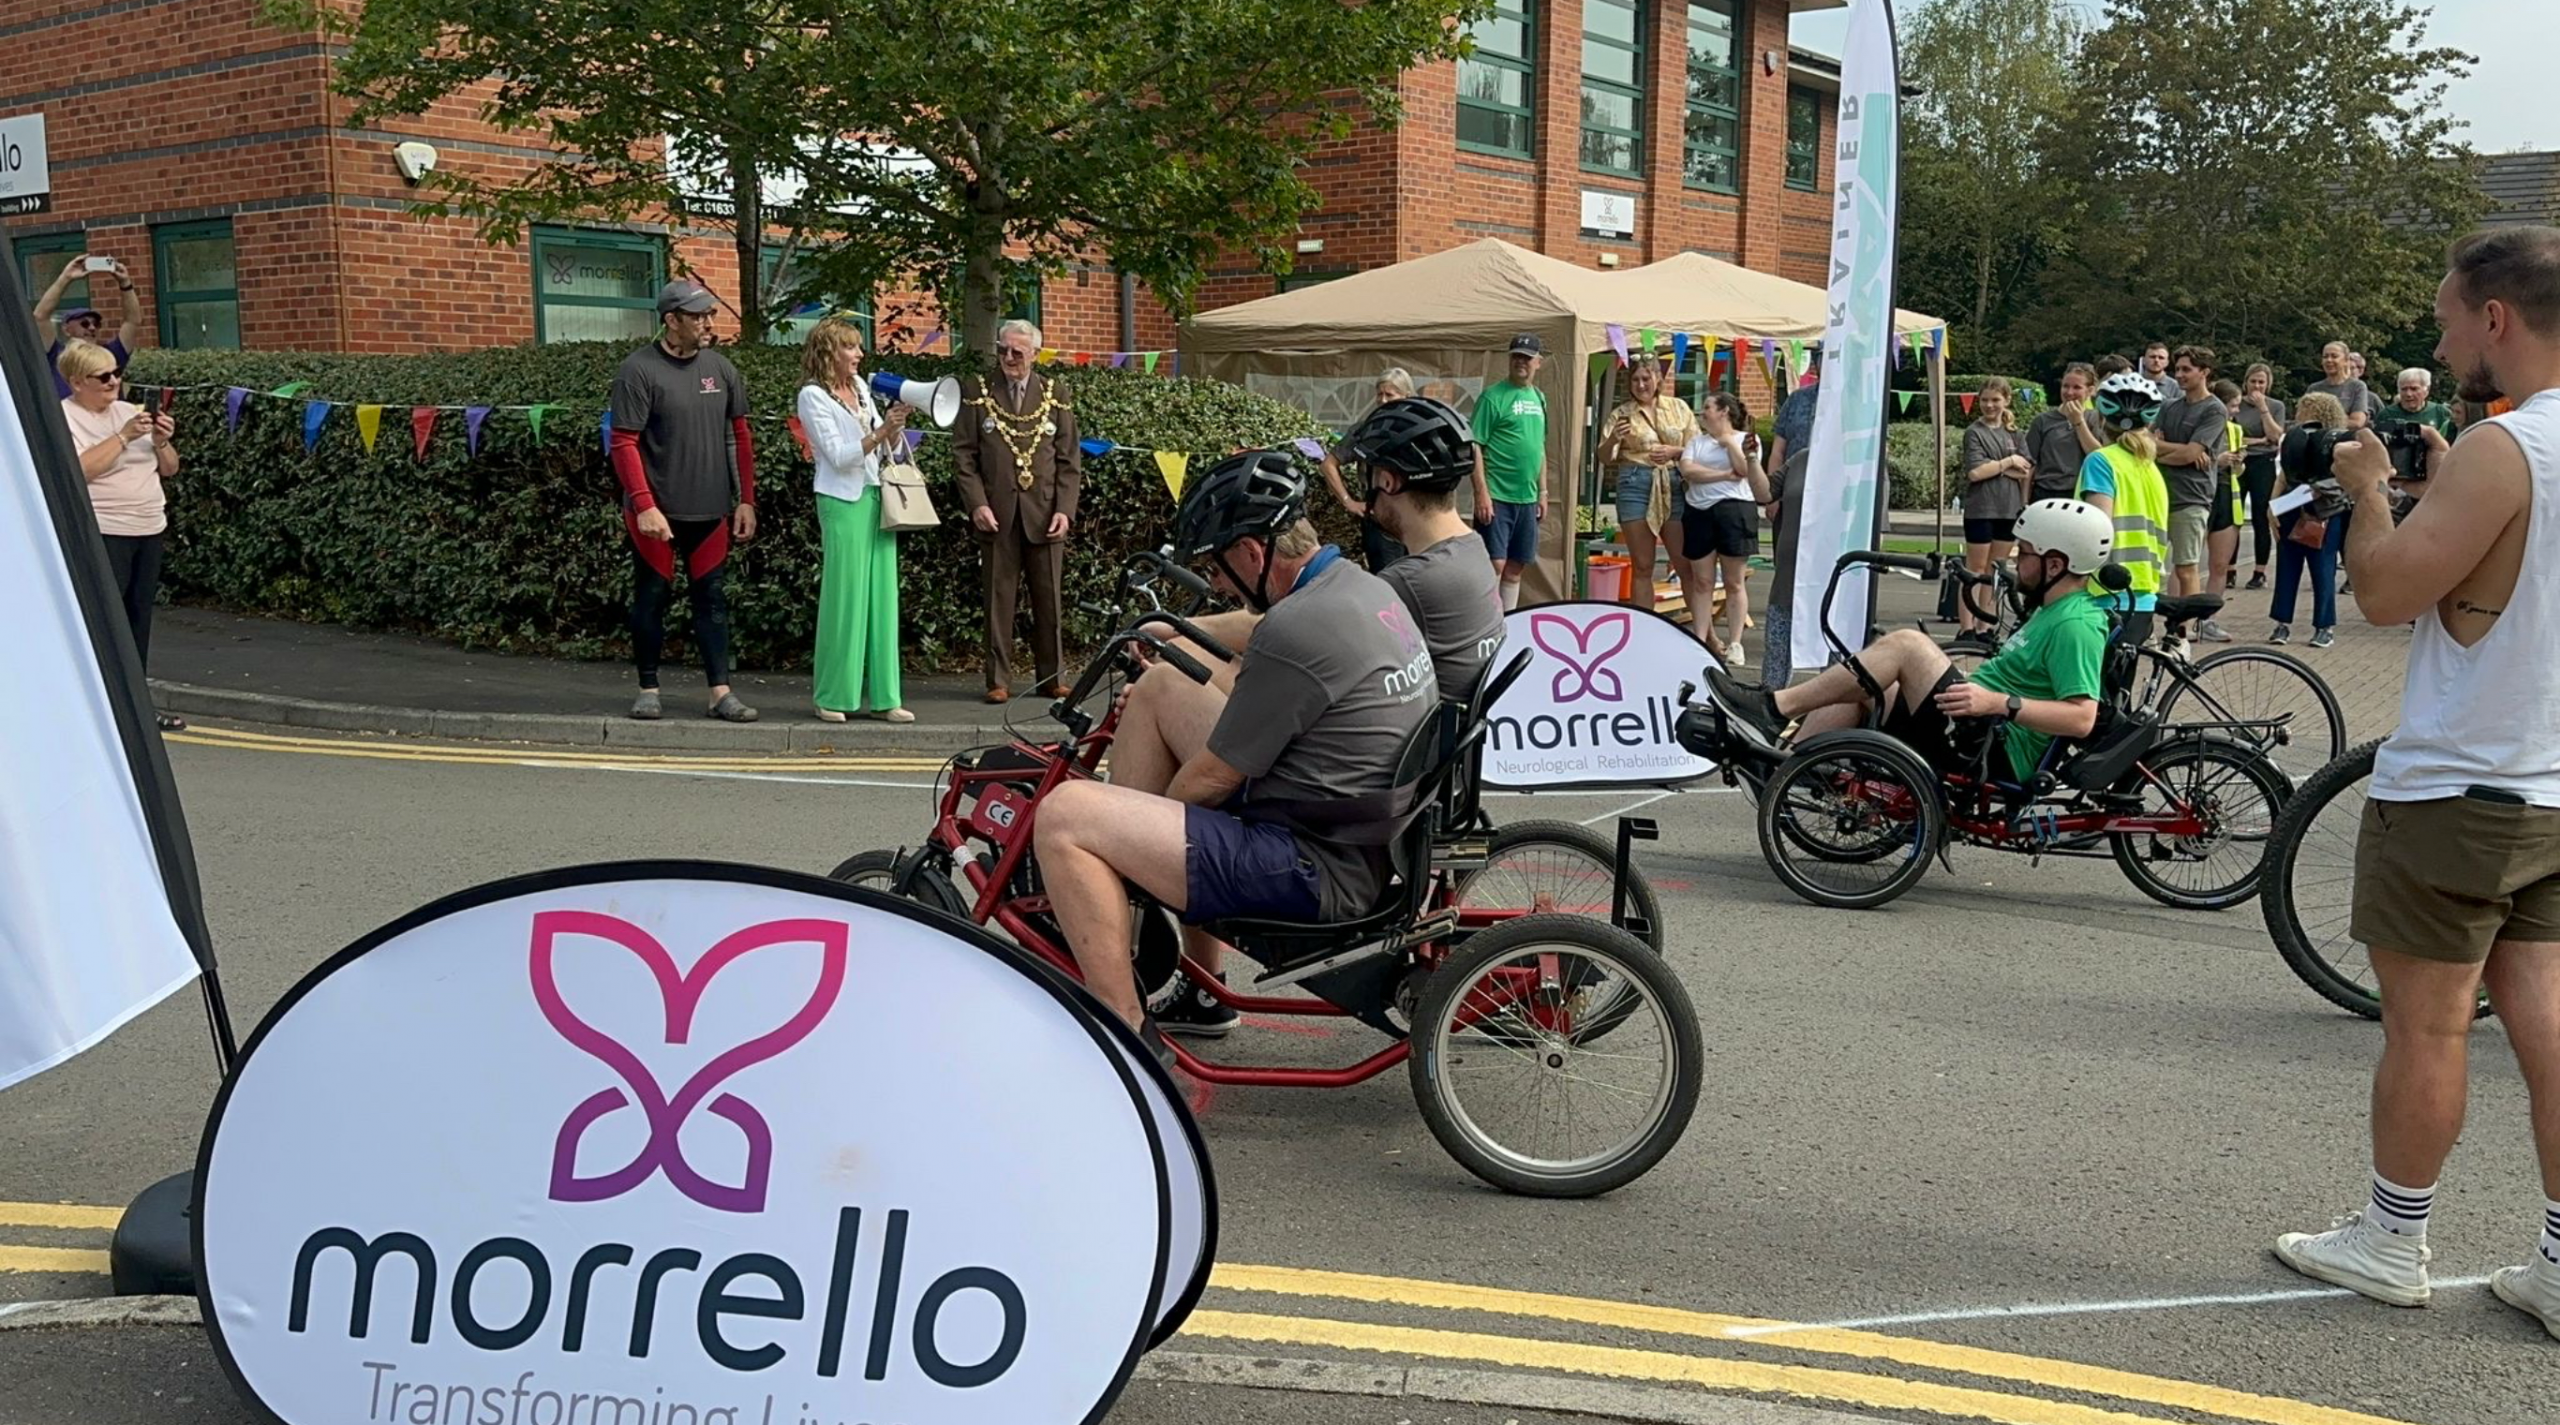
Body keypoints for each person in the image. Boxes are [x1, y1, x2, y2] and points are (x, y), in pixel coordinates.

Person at [2271, 225, 2560, 1342]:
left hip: (2459, 782)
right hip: (2548, 783)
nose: (2439, 347)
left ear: (2497, 317)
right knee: (2543, 1019)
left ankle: (2392, 1240)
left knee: (2429, 1027)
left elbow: (2390, 593)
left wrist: (2369, 491)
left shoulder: (2506, 448)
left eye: (2446, 320)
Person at [1030, 452, 1438, 1061]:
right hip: (1354, 829)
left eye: (1217, 567)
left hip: (1312, 865)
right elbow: (1258, 633)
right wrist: (1171, 633)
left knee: (1065, 815)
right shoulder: (1355, 586)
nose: (1217, 583)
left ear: (1253, 550)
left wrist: (1136, 842)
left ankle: (1125, 1034)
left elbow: (1217, 774)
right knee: (1164, 685)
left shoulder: (1297, 629)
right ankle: (1180, 971)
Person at [1121, 401, 1498, 1037]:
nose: (1358, 484)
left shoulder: (1405, 583)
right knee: (1170, 686)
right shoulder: (1467, 556)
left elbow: (1278, 640)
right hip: (1402, 765)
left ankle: (1128, 877)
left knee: (1165, 708)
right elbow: (1280, 639)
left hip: (1348, 790)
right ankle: (1190, 969)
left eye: (1367, 471)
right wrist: (1184, 640)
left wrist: (1180, 642)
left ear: (1389, 482)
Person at [1705, 499, 2112, 787]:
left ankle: (1772, 708)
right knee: (1861, 680)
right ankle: (1782, 766)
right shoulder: (2051, 609)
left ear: (2055, 564)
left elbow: (2081, 718)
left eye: (2024, 554)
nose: (2013, 562)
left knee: (1908, 645)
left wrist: (1998, 703)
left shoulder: (2074, 624)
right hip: (1975, 727)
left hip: (1992, 747)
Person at [608, 280, 758, 723]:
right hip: (656, 511)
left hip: (711, 508)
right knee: (651, 596)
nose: (708, 323)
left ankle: (720, 693)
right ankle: (648, 688)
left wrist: (745, 500)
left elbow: (740, 436)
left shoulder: (721, 368)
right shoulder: (638, 370)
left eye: (710, 315)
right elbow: (623, 442)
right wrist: (643, 503)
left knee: (711, 599)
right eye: (697, 316)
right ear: (671, 321)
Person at [56, 339, 184, 732]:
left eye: (117, 373)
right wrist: (124, 437)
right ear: (78, 382)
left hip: (149, 527)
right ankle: (99, 708)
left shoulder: (129, 410)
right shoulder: (65, 417)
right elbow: (79, 471)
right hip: (106, 531)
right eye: (104, 376)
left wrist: (162, 442)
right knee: (106, 621)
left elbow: (170, 469)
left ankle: (136, 710)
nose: (115, 381)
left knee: (137, 618)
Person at [953, 318, 1083, 703]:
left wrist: (1066, 510)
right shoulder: (977, 391)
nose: (1008, 358)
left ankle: (1052, 677)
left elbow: (1069, 459)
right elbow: (963, 455)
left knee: (1050, 599)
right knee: (998, 599)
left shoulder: (1055, 393)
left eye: (1017, 352)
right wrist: (976, 503)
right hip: (997, 513)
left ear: (1035, 355)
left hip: (1044, 513)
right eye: (1003, 350)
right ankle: (998, 681)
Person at [795, 317, 911, 724]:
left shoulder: (861, 389)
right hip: (841, 501)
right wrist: (882, 435)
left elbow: (885, 446)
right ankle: (832, 695)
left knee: (882, 599)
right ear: (829, 352)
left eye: (858, 347)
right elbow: (838, 455)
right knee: (845, 599)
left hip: (876, 494)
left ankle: (886, 698)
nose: (859, 354)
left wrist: (895, 428)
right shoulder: (812, 397)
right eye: (850, 347)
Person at [1597, 356, 1696, 612]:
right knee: (1642, 564)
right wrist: (1613, 440)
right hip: (1635, 482)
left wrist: (1674, 451)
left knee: (1684, 563)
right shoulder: (1622, 414)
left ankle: (1703, 633)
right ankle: (1645, 628)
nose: (1641, 385)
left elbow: (1699, 449)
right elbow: (1604, 457)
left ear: (1657, 379)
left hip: (1672, 483)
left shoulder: (1679, 408)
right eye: (1635, 380)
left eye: (1646, 378)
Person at [1679, 392, 1769, 667]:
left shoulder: (1746, 440)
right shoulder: (1696, 442)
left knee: (1733, 581)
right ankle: (1699, 639)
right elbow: (1688, 470)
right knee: (1702, 581)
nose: (1702, 412)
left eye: (1707, 407)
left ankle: (1735, 643)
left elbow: (1744, 469)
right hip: (1699, 512)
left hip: (1735, 511)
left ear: (1724, 412)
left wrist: (1729, 442)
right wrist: (1722, 475)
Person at [2074, 371, 2171, 623]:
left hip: (2106, 590)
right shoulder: (2149, 466)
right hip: (2143, 589)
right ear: (2148, 424)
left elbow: (2096, 527)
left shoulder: (2102, 461)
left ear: (2101, 418)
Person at [2266, 391, 2350, 649]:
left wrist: (2318, 489)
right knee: (2287, 566)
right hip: (2291, 504)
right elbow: (2283, 475)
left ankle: (2324, 626)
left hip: (2324, 508)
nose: (2299, 414)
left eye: (2304, 409)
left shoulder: (2337, 441)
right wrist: (2271, 507)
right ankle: (2282, 623)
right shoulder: (2293, 439)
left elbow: (2344, 478)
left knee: (2322, 568)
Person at [1472, 333, 1549, 610]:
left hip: (1527, 498)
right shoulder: (1492, 398)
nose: (1521, 362)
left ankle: (1509, 623)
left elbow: (1539, 447)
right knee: (1495, 563)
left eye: (1527, 358)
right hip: (1497, 495)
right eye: (1516, 356)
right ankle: (1486, 625)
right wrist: (1482, 493)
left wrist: (1543, 491)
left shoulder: (1539, 399)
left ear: (1538, 362)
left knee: (1517, 565)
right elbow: (1474, 446)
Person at [2153, 347, 2230, 623]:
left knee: (2186, 568)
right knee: (2153, 568)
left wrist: (2166, 451)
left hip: (2191, 498)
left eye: (2187, 369)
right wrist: (2181, 451)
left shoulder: (2214, 409)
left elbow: (2188, 453)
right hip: (2160, 496)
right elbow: (2150, 445)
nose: (2180, 375)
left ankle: (2184, 631)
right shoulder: (2168, 406)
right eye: (2178, 369)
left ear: (2204, 372)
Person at [1954, 378, 2032, 646]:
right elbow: (1976, 473)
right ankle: (1966, 626)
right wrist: (2007, 463)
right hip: (1981, 508)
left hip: (2008, 508)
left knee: (1995, 570)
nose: (1990, 405)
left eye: (1995, 400)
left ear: (2006, 401)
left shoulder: (2015, 434)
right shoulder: (1974, 432)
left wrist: (1997, 467)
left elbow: (2025, 471)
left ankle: (1984, 623)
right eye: (1985, 399)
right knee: (1974, 568)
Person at [1318, 369, 1419, 572]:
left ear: (1406, 396)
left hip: (1415, 521)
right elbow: (1328, 465)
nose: (1382, 400)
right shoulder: (1365, 429)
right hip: (1380, 522)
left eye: (1389, 395)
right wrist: (1349, 502)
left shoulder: (1419, 428)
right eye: (1379, 394)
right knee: (1388, 583)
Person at [32, 251, 142, 400]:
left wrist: (125, 283)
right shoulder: (57, 355)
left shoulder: (111, 354)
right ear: (66, 329)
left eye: (96, 324)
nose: (91, 328)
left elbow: (133, 322)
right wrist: (66, 278)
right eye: (84, 323)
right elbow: (40, 316)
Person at [2197, 378, 2248, 637]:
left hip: (2227, 495)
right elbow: (2190, 456)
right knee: (2189, 562)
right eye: (2234, 405)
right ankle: (2183, 621)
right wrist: (2217, 460)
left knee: (2220, 565)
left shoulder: (2235, 429)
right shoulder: (2201, 422)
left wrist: (2238, 462)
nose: (2236, 411)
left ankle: (2208, 621)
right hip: (2200, 493)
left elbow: (2238, 470)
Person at [2233, 364, 2290, 590]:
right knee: (2233, 516)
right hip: (2239, 460)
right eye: (2253, 381)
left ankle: (2259, 571)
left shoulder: (2275, 406)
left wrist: (2263, 408)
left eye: (2261, 382)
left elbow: (2276, 437)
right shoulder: (2236, 404)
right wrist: (2258, 440)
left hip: (2263, 463)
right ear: (2245, 382)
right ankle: (2229, 568)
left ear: (2268, 385)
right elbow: (2232, 436)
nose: (2257, 386)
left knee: (2260, 517)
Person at [2026, 363, 2104, 501]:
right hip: (2046, 492)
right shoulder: (2042, 421)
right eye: (2065, 386)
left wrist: (2078, 422)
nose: (2069, 392)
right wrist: (2024, 502)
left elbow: (2098, 455)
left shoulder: (2096, 418)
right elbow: (2029, 464)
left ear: (2090, 390)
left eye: (2077, 387)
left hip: (2080, 492)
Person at [2378, 367, 2456, 491]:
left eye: (2414, 389)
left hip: (2432, 474)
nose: (2408, 394)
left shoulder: (2441, 413)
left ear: (2427, 390)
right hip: (2397, 476)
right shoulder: (2386, 415)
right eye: (2404, 389)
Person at [1768, 348, 1821, 474]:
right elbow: (1778, 450)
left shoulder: (1851, 400)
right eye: (1822, 359)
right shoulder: (1798, 398)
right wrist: (1773, 485)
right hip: (1794, 481)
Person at [2307, 341, 2376, 431]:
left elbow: (2357, 423)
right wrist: (2344, 419)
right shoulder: (2314, 388)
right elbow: (2305, 421)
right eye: (2325, 357)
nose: (2329, 360)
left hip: (2347, 439)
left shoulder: (2357, 386)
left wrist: (2322, 421)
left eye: (2334, 356)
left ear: (2346, 361)